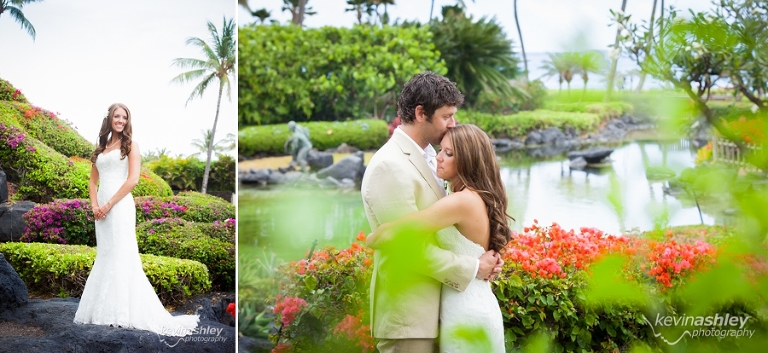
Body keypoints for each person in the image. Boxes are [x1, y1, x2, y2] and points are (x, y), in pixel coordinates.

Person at [360, 72, 503, 353]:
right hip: (411, 319)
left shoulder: (434, 159)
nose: (453, 123)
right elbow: (408, 249)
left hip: (447, 310)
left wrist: (479, 259)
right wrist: (474, 266)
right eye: (447, 116)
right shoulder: (390, 166)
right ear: (421, 113)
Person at [73, 103, 199, 336]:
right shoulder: (100, 147)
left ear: (127, 121)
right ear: (109, 118)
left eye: (124, 117)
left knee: (122, 254)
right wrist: (95, 206)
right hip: (100, 208)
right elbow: (92, 182)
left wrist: (109, 205)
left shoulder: (131, 146)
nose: (120, 120)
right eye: (117, 116)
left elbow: (133, 180)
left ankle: (122, 313)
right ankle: (100, 311)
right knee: (106, 253)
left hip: (119, 207)